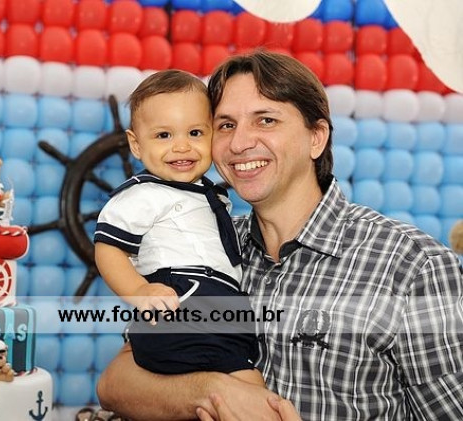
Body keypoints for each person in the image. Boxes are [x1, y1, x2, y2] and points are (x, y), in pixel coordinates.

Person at [96, 50, 463, 420]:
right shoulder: (204, 244)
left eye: (266, 120)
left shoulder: (415, 266)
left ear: (316, 137)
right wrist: (213, 391)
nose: (239, 143)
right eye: (226, 125)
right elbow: (115, 383)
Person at [93, 69, 265, 386]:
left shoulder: (211, 194)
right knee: (243, 385)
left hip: (223, 303)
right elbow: (109, 249)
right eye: (164, 136)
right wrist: (139, 291)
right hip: (182, 297)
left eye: (195, 133)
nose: (182, 146)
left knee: (247, 382)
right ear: (136, 144)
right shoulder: (143, 194)